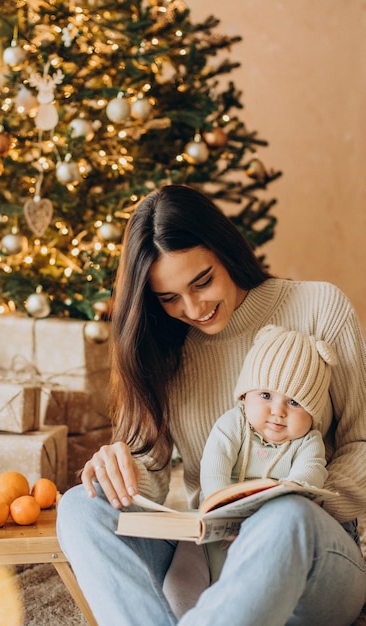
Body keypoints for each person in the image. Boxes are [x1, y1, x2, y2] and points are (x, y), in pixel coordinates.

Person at [57, 184, 366, 626]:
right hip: (210, 556)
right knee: (80, 507)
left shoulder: (318, 307)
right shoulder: (165, 346)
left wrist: (296, 499)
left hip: (314, 552)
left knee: (285, 516)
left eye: (202, 281)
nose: (193, 308)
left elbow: (362, 440)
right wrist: (119, 467)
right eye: (168, 298)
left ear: (225, 250)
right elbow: (151, 478)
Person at [200, 323, 335, 583]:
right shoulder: (233, 424)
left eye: (294, 402)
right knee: (200, 567)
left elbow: (312, 470)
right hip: (221, 520)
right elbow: (214, 467)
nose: (278, 411)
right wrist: (222, 509)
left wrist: (294, 486)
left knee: (269, 573)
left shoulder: (307, 441)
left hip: (272, 524)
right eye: (265, 395)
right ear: (244, 397)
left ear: (312, 414)